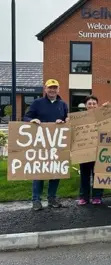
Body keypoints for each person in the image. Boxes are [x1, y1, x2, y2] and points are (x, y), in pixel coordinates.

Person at [23, 79, 69, 211]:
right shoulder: (37, 103)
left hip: (57, 143)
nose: (52, 90)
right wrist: (32, 120)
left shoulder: (63, 104)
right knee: (40, 171)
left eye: (55, 88)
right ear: (45, 89)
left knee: (55, 171)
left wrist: (64, 121)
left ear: (58, 89)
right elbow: (26, 117)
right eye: (50, 88)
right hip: (40, 143)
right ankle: (36, 200)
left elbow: (67, 120)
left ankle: (52, 198)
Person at [77, 96, 104, 205]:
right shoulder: (79, 118)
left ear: (97, 105)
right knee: (84, 175)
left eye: (94, 103)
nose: (92, 105)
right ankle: (84, 197)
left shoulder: (102, 117)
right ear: (86, 106)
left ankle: (97, 196)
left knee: (98, 174)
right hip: (84, 150)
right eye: (89, 103)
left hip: (99, 150)